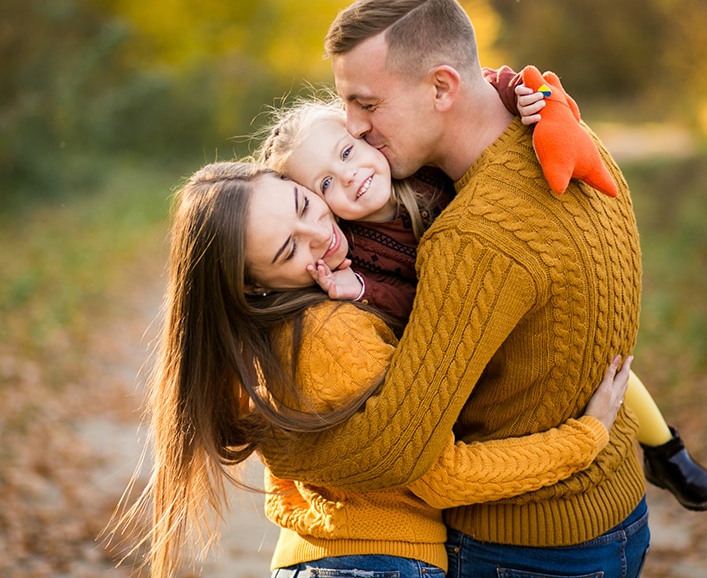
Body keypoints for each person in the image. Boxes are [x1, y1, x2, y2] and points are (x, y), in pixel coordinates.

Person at [253, 0, 672, 578]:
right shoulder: (571, 139)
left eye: (367, 105)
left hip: (524, 544)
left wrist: (276, 441)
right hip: (613, 509)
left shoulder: (473, 236)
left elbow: (399, 448)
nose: (354, 126)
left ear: (443, 87)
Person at [130, 160, 636, 578]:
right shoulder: (330, 333)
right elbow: (441, 476)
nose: (320, 236)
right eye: (289, 250)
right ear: (254, 285)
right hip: (380, 562)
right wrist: (584, 438)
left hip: (329, 557)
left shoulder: (268, 333)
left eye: (305, 205)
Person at [258, 89, 707, 513]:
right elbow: (410, 309)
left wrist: (518, 92)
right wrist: (359, 291)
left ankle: (667, 451)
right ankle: (544, 465)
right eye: (323, 185)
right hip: (457, 334)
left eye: (346, 152)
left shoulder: (422, 167)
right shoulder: (355, 252)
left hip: (512, 292)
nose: (348, 177)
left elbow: (463, 90)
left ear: (365, 138)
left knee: (602, 359)